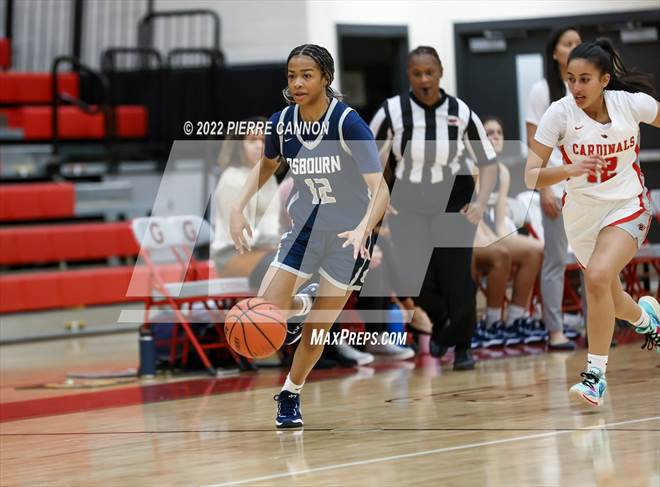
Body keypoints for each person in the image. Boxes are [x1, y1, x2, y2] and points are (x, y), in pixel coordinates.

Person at [229, 44, 389, 428]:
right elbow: (267, 165)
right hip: (304, 231)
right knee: (265, 312)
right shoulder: (281, 123)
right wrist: (238, 207)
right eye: (291, 76)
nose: (297, 83)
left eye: (306, 76)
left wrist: (364, 228)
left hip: (347, 237)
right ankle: (304, 302)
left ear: (325, 79)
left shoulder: (348, 123)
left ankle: (290, 392)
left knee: (319, 329)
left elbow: (381, 190)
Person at [524, 38, 660, 407]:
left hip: (628, 205)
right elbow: (530, 175)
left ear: (604, 79)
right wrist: (569, 169)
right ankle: (647, 320)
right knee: (613, 299)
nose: (576, 87)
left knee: (597, 276)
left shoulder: (631, 104)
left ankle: (594, 378)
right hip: (582, 215)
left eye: (585, 79)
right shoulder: (559, 114)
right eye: (571, 79)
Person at [369, 45, 498, 370]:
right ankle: (443, 327)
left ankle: (463, 348)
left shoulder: (460, 111)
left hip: (453, 197)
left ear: (440, 72)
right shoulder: (391, 111)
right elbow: (366, 158)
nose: (424, 79)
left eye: (430, 72)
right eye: (417, 74)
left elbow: (488, 162)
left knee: (456, 277)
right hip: (407, 200)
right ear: (408, 75)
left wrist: (481, 202)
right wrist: (379, 196)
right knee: (414, 279)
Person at [526, 27, 583, 348]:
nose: (575, 46)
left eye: (578, 42)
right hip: (556, 186)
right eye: (568, 43)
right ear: (555, 53)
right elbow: (534, 144)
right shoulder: (542, 90)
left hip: (589, 188)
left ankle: (596, 328)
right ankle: (555, 331)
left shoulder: (588, 85)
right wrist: (544, 188)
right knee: (556, 260)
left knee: (594, 261)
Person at [473, 117, 549, 347]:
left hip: (490, 233)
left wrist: (506, 238)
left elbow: (498, 222)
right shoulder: (474, 169)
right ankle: (492, 321)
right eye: (489, 133)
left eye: (499, 132)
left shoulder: (503, 172)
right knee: (501, 254)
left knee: (535, 250)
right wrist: (492, 241)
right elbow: (474, 217)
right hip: (472, 235)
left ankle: (516, 318)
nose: (495, 137)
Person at [211, 117, 281, 282]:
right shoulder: (231, 178)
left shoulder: (270, 178)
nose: (259, 145)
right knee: (288, 268)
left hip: (266, 250)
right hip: (232, 255)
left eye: (264, 140)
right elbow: (241, 235)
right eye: (252, 140)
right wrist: (279, 241)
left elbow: (273, 224)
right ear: (239, 146)